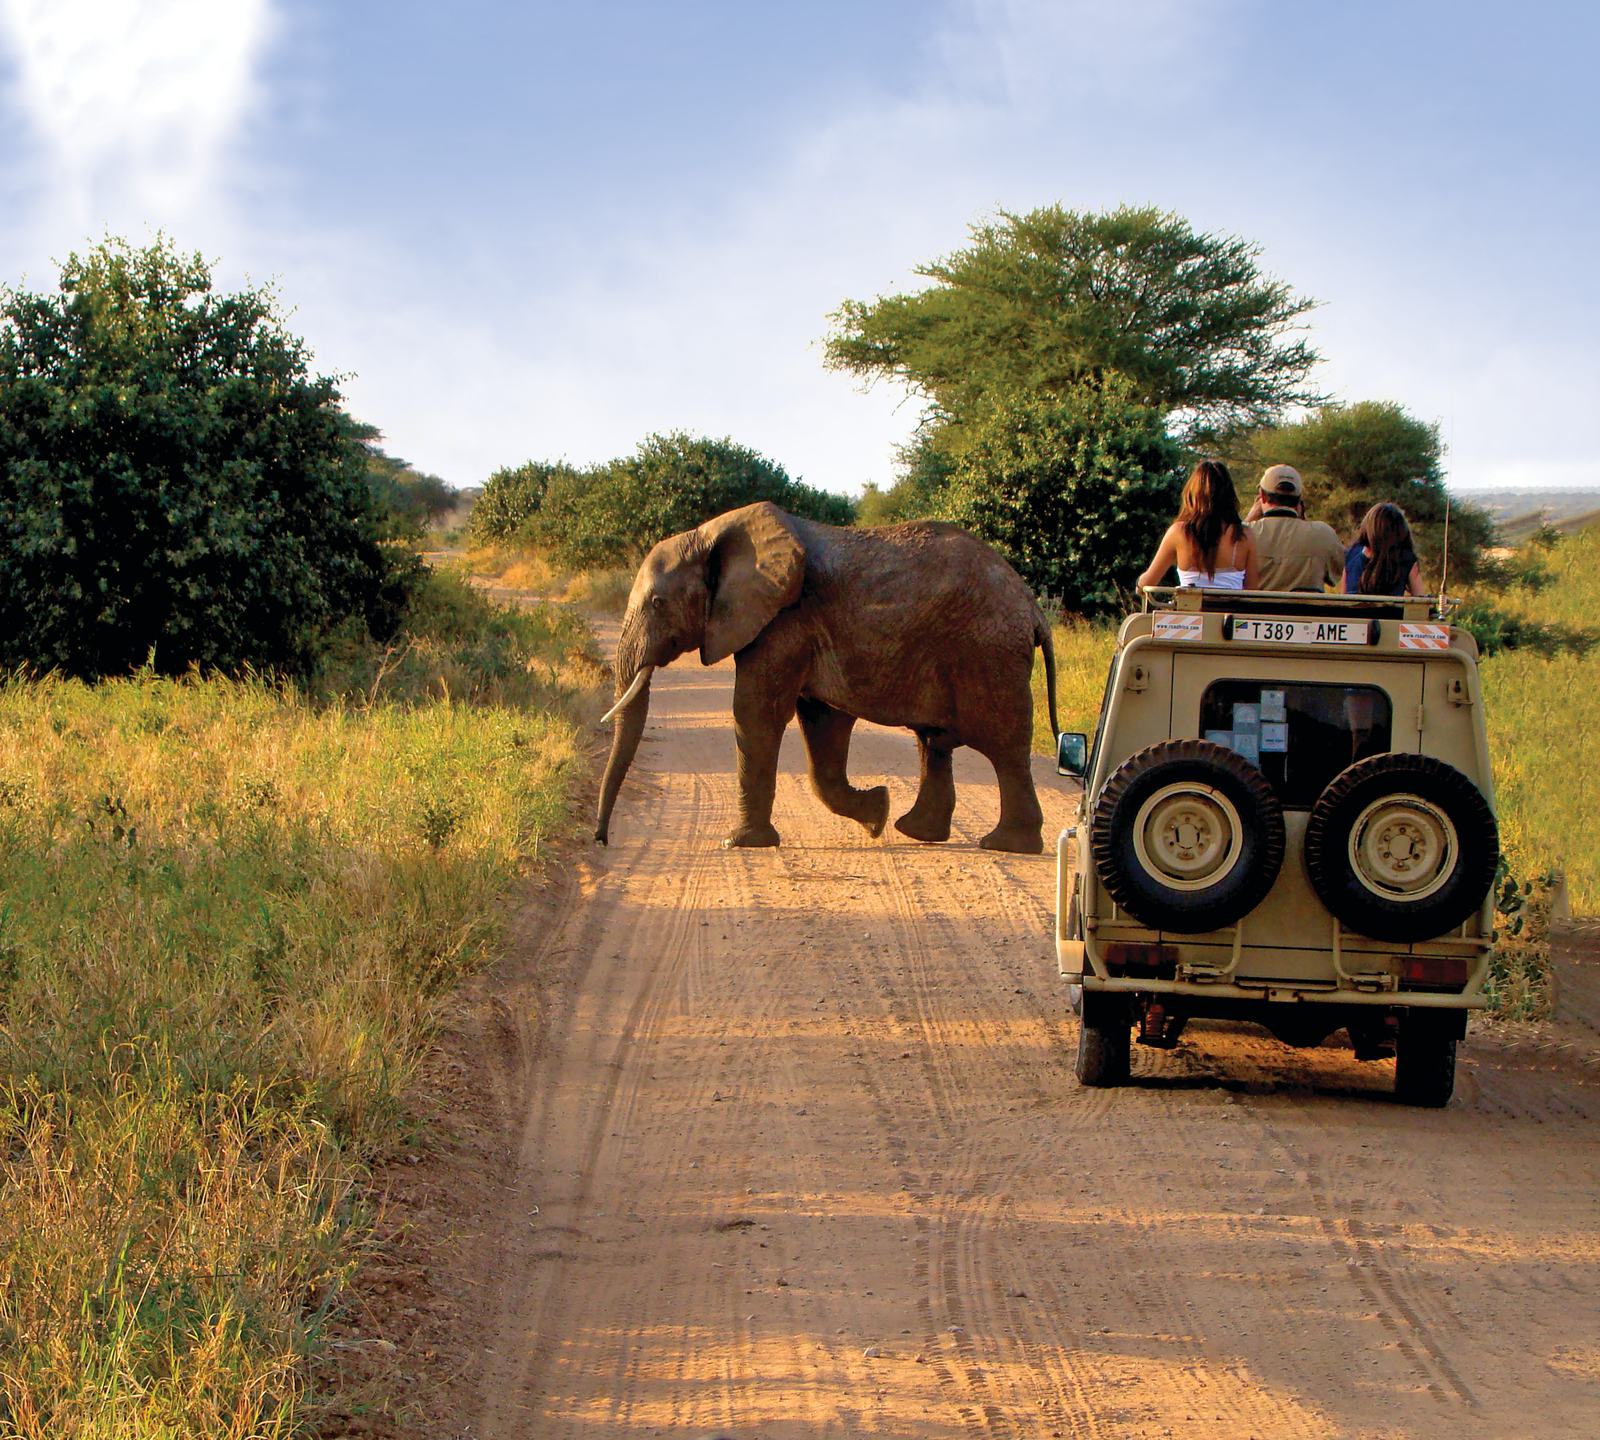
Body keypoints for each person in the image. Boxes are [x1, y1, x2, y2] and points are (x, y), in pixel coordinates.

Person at [1137, 459, 1259, 590]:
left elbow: (1147, 584)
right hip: (1230, 610)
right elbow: (1251, 591)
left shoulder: (1179, 532)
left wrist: (1139, 582)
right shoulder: (1244, 536)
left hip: (1190, 610)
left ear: (1193, 493)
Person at [1246, 465, 1345, 591]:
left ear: (1262, 496)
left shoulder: (1246, 533)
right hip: (1306, 610)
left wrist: (1248, 520)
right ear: (1300, 498)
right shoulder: (1324, 533)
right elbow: (1333, 576)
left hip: (1257, 610)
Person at [1342, 502, 1428, 597]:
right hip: (1391, 611)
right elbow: (1420, 599)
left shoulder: (1352, 554)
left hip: (1353, 611)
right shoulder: (1405, 559)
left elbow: (1342, 598)